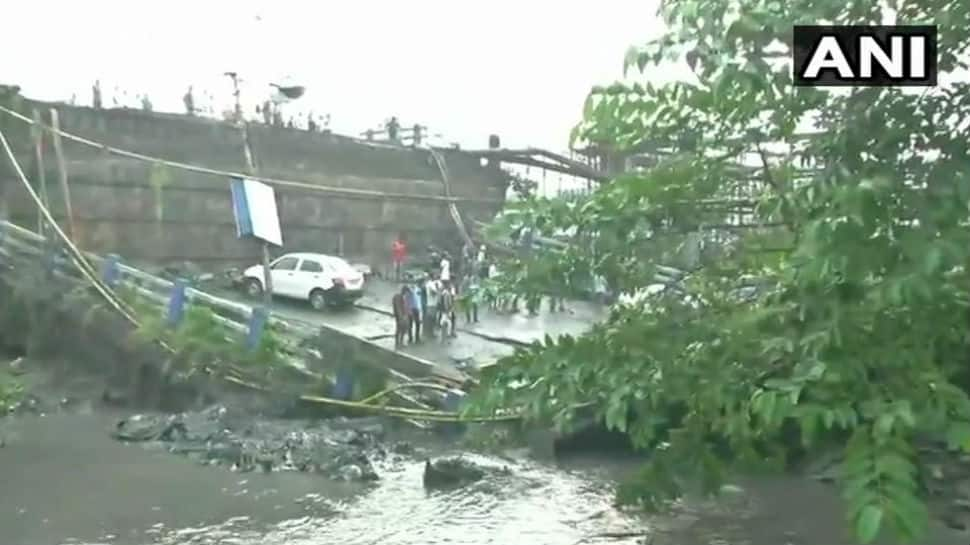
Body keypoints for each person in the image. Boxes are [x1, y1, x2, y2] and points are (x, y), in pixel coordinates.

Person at [424, 274, 440, 338]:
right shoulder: (430, 284)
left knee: (431, 319)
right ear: (432, 277)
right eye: (434, 276)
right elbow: (433, 292)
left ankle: (430, 333)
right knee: (432, 319)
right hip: (432, 304)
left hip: (431, 304)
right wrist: (437, 290)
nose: (435, 277)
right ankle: (430, 333)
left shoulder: (430, 283)